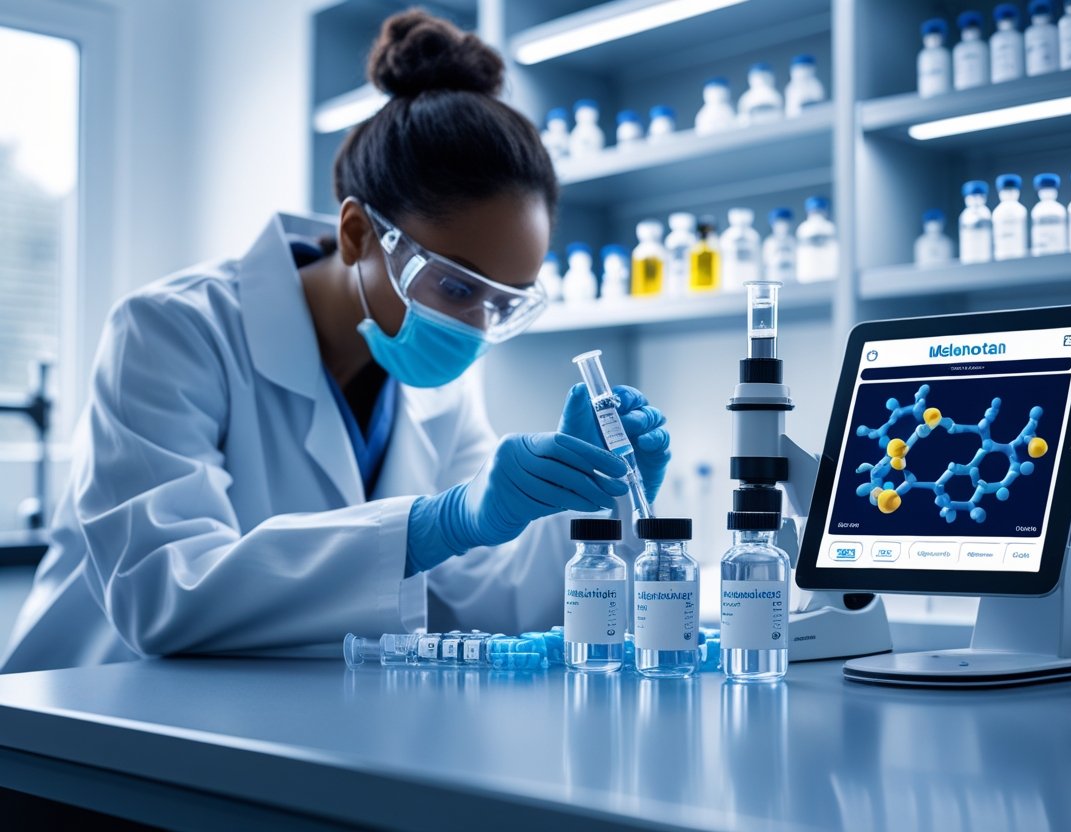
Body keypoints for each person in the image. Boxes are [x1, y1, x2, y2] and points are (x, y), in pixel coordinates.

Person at [1, 10, 670, 673]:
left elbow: (487, 602)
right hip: (85, 715)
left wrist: (597, 501)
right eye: (459, 288)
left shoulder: (438, 384)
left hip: (274, 721)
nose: (476, 329)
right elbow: (166, 592)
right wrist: (440, 523)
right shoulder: (171, 330)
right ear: (357, 234)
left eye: (506, 302)